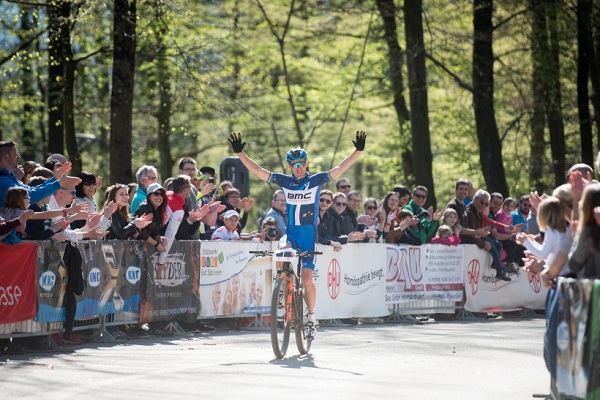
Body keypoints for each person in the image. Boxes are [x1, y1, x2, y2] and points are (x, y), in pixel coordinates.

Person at [228, 130, 366, 340]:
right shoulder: (285, 181)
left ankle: (311, 319)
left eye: (302, 163)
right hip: (291, 233)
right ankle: (282, 288)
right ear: (289, 166)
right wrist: (240, 154)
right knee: (282, 251)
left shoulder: (317, 180)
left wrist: (357, 151)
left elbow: (339, 169)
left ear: (307, 163)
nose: (299, 167)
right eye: (294, 164)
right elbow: (259, 171)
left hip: (309, 235)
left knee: (307, 280)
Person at [0, 141, 81, 208]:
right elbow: (31, 195)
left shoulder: (9, 177)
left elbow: (31, 190)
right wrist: (59, 183)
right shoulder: (3, 181)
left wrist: (55, 179)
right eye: (15, 154)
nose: (18, 157)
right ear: (6, 157)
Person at [467, 190, 511, 281]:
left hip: (483, 236)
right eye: (482, 203)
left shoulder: (480, 213)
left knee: (498, 244)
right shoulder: (471, 212)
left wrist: (507, 227)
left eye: (486, 204)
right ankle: (499, 271)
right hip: (480, 238)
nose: (483, 206)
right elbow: (474, 233)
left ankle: (496, 264)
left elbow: (494, 223)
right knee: (493, 247)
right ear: (475, 199)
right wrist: (483, 242)